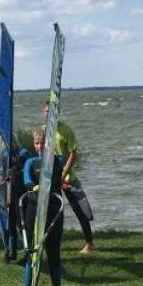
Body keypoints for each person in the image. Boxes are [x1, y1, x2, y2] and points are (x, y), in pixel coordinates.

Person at [18, 127, 67, 286]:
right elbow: (26, 181)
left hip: (53, 209)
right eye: (37, 143)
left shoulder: (57, 161)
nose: (39, 146)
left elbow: (63, 165)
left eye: (43, 143)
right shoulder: (30, 162)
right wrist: (33, 187)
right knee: (32, 251)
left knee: (53, 251)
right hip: (34, 208)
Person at [44, 104, 96, 254]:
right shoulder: (44, 130)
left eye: (51, 112)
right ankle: (53, 242)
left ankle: (89, 242)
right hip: (50, 179)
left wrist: (63, 173)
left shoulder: (66, 130)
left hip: (67, 178)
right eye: (46, 111)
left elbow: (73, 154)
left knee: (79, 209)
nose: (48, 114)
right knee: (52, 211)